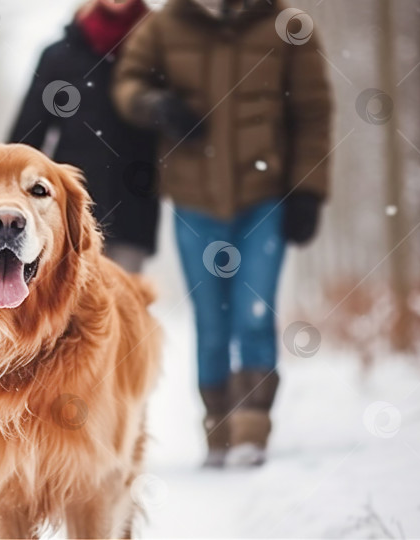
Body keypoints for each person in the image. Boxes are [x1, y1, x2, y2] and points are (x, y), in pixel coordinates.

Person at [113, 0, 332, 466]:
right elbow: (128, 83)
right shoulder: (165, 24)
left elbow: (313, 113)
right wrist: (156, 105)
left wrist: (308, 190)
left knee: (254, 312)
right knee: (210, 319)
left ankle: (252, 429)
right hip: (194, 199)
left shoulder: (288, 26)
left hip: (265, 196)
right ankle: (218, 429)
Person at [8, 0, 159, 273]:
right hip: (70, 212)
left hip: (134, 211)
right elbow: (27, 136)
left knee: (121, 309)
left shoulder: (159, 51)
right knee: (69, 307)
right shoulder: (59, 56)